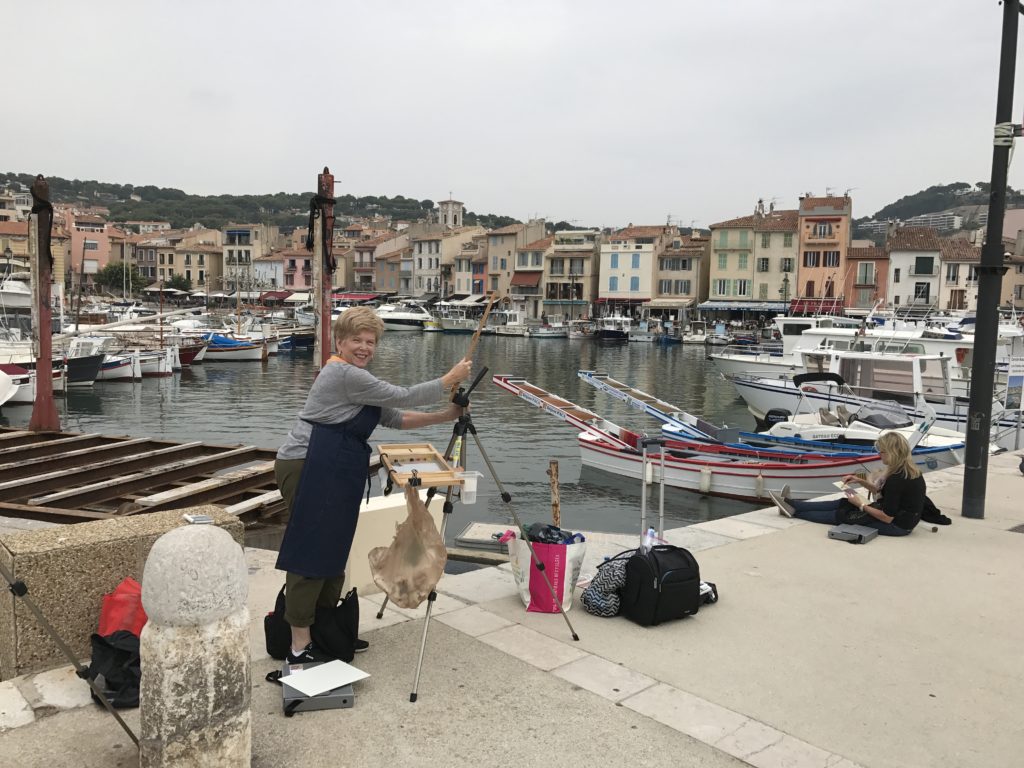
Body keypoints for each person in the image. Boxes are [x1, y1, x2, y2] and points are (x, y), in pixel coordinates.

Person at [274, 306, 472, 664]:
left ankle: (325, 630)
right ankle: (298, 646)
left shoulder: (359, 380)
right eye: (357, 340)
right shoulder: (342, 373)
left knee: (333, 551)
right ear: (339, 342)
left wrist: (446, 415)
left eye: (370, 341)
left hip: (335, 466)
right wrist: (449, 379)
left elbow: (397, 418)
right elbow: (402, 395)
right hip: (308, 463)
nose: (364, 347)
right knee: (310, 551)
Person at [768, 432, 925, 537]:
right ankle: (794, 504)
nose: (879, 454)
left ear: (892, 453)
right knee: (844, 502)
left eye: (882, 451)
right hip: (900, 518)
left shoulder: (898, 478)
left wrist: (861, 506)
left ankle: (794, 511)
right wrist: (860, 481)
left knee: (842, 515)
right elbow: (883, 492)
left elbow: (887, 518)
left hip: (898, 526)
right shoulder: (906, 470)